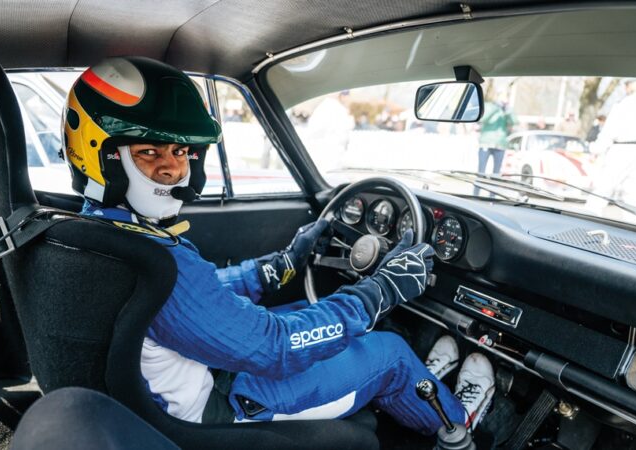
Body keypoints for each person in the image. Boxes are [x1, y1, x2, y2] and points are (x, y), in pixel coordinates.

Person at [61, 56, 495, 433]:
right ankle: (456, 422)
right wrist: (379, 291)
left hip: (193, 377)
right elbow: (275, 348)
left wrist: (282, 264)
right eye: (149, 154)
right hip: (218, 411)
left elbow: (201, 296)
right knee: (392, 353)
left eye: (179, 152)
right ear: (104, 154)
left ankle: (426, 383)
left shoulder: (107, 232)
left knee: (305, 314)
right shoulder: (152, 258)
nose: (173, 170)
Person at [585, 80, 636, 216]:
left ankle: (587, 218)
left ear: (632, 84)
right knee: (634, 194)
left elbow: (608, 132)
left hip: (621, 150)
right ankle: (632, 228)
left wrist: (595, 149)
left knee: (603, 188)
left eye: (626, 84)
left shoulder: (623, 104)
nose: (625, 88)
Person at [474, 98, 516, 195]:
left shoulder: (507, 109)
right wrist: (495, 107)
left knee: (496, 174)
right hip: (486, 143)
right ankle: (475, 195)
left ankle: (492, 197)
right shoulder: (488, 105)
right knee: (481, 172)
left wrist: (508, 111)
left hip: (500, 145)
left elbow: (514, 122)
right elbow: (483, 118)